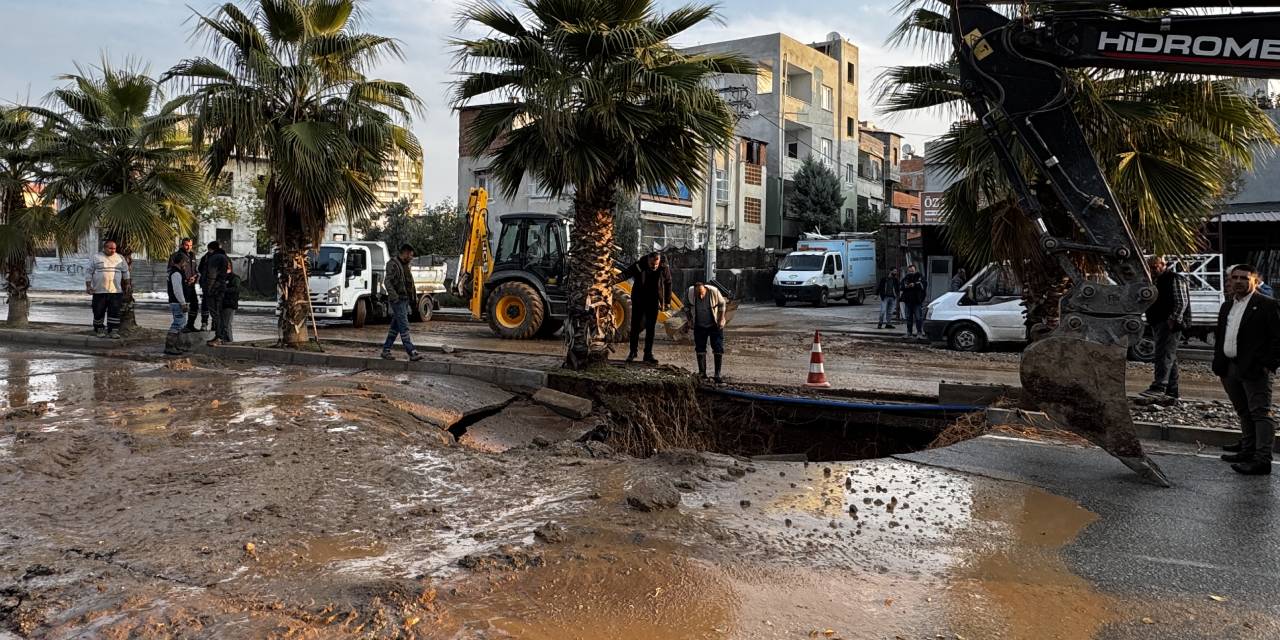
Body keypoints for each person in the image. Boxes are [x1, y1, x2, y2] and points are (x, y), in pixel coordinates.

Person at [1214, 264, 1280, 476]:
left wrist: (1267, 364)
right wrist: (1219, 364)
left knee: (1260, 413)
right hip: (1230, 367)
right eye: (1235, 278)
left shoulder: (1267, 305)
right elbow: (1221, 336)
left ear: (1254, 280)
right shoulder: (1226, 306)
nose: (1239, 281)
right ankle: (1247, 449)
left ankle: (1262, 460)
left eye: (1244, 278)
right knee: (1243, 411)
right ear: (1230, 281)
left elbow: (1277, 339)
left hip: (1255, 369)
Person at [1140, 256, 1191, 401]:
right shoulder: (1155, 280)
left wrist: (1173, 319)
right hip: (1159, 320)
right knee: (1170, 356)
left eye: (1154, 267)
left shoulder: (1173, 278)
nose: (1152, 270)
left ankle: (1159, 386)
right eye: (1150, 268)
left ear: (1163, 265)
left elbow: (1181, 302)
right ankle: (1171, 391)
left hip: (1168, 321)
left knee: (1163, 354)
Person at [616, 252, 672, 364]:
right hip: (639, 299)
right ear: (648, 260)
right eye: (652, 264)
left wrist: (667, 302)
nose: (654, 267)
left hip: (654, 300)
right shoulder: (640, 264)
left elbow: (668, 282)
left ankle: (648, 354)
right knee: (635, 327)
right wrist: (613, 280)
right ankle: (632, 352)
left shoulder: (663, 267)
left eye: (656, 264)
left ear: (659, 261)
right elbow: (627, 273)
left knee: (651, 329)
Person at [381, 243, 424, 361]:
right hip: (398, 300)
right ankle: (412, 352)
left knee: (395, 328)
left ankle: (386, 350)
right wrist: (395, 297)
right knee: (404, 326)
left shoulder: (405, 265)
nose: (411, 257)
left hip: (405, 300)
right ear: (404, 252)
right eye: (410, 255)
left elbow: (410, 284)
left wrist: (413, 299)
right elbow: (387, 282)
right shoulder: (393, 264)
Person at [683, 281, 728, 383]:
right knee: (700, 348)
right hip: (699, 324)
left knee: (718, 347)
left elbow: (722, 304)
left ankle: (717, 374)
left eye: (702, 293)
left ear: (705, 289)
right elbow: (686, 306)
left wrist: (721, 319)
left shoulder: (713, 291)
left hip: (714, 324)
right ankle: (702, 373)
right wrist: (689, 320)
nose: (700, 296)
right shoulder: (690, 293)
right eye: (698, 294)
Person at [86, 240, 130, 339]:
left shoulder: (120, 258)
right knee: (98, 311)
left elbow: (126, 272)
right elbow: (89, 272)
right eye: (110, 248)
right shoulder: (96, 257)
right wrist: (88, 286)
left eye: (114, 248)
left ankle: (113, 331)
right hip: (99, 291)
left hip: (116, 291)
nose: (113, 250)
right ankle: (99, 329)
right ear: (105, 248)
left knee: (114, 311)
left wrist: (127, 284)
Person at [164, 252, 191, 355]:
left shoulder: (177, 272)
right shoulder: (176, 273)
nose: (186, 265)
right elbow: (177, 290)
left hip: (178, 302)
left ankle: (175, 345)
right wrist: (183, 303)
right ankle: (169, 346)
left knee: (180, 324)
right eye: (185, 262)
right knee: (177, 324)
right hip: (177, 303)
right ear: (181, 262)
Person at [171, 238, 200, 332]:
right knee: (182, 309)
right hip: (182, 285)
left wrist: (195, 278)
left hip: (191, 285)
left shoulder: (193, 255)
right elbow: (171, 270)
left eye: (191, 245)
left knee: (195, 305)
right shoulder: (176, 256)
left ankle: (190, 325)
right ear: (182, 245)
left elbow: (195, 270)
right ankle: (179, 330)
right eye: (187, 245)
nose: (189, 247)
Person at [204, 245, 231, 347]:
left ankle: (219, 337)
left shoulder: (215, 258)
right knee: (218, 313)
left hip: (214, 290)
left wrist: (209, 289)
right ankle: (220, 336)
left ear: (211, 249)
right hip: (219, 288)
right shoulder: (224, 257)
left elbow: (212, 275)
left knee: (216, 314)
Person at [900, 264, 927, 340]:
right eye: (910, 270)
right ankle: (909, 333)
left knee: (918, 318)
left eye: (912, 270)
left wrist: (914, 285)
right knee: (908, 318)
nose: (911, 271)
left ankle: (919, 333)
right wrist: (906, 286)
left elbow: (923, 286)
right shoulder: (906, 278)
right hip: (908, 301)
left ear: (915, 270)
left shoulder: (920, 277)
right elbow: (901, 287)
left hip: (917, 301)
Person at [197, 241, 219, 331]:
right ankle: (208, 324)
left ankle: (209, 324)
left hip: (211, 285)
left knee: (210, 305)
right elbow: (200, 269)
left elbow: (200, 269)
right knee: (209, 305)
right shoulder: (206, 257)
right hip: (210, 286)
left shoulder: (208, 257)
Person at [219, 260, 240, 343]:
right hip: (222, 303)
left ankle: (229, 341)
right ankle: (225, 340)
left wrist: (224, 290)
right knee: (222, 324)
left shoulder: (234, 277)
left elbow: (236, 289)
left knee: (227, 325)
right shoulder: (222, 277)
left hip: (230, 304)